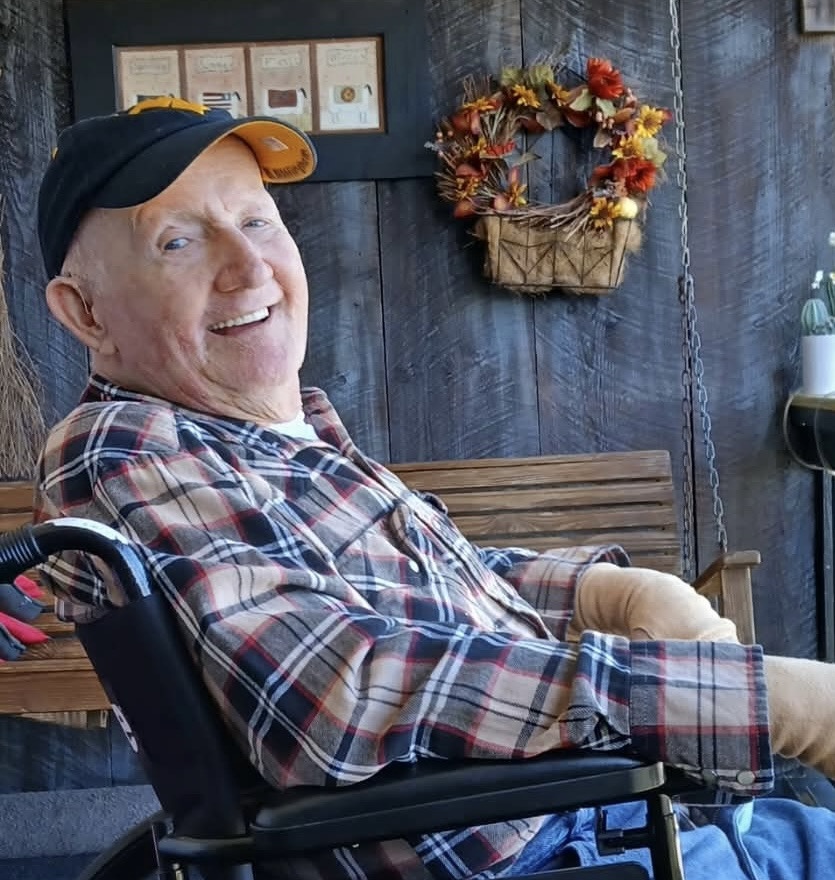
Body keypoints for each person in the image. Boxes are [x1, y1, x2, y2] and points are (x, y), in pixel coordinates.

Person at [29, 98, 835, 880]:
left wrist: (605, 593)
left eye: (256, 221)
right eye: (176, 242)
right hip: (551, 852)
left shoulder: (268, 435)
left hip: (593, 817)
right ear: (85, 312)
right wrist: (761, 703)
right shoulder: (123, 444)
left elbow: (424, 593)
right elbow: (341, 692)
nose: (248, 268)